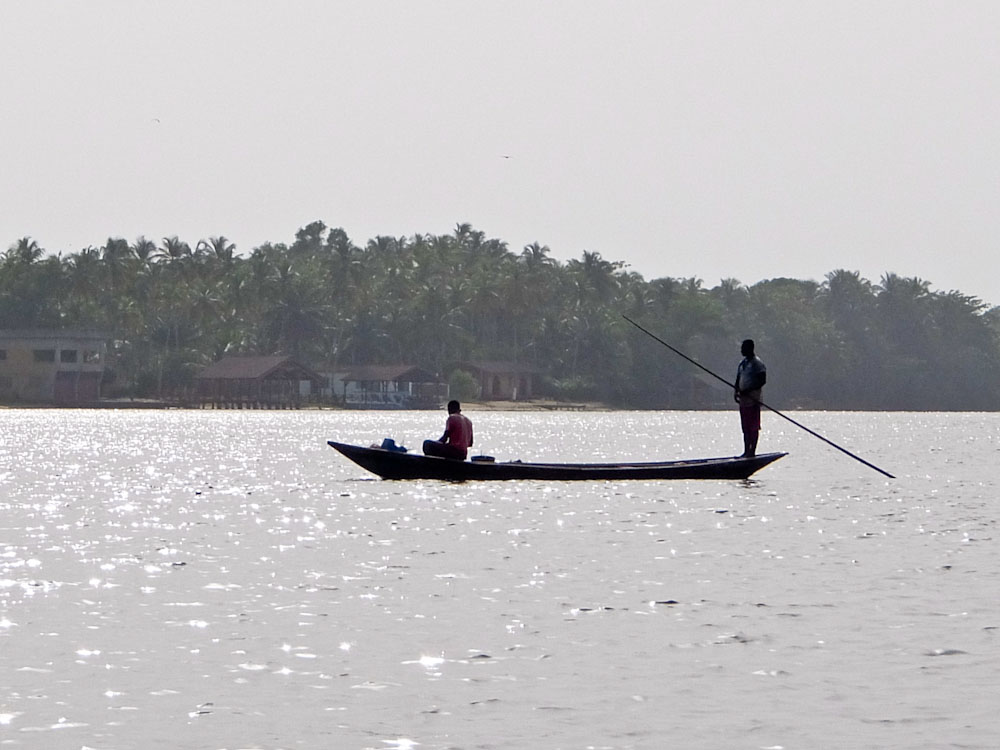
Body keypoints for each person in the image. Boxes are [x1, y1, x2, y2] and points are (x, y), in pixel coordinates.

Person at [734, 339, 766, 457]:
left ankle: (752, 452)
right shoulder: (742, 364)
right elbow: (738, 379)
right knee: (745, 427)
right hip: (743, 400)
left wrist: (749, 390)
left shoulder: (757, 364)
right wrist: (736, 391)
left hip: (753, 400)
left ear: (750, 348)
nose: (741, 350)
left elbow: (762, 380)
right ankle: (746, 450)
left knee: (753, 427)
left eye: (743, 348)